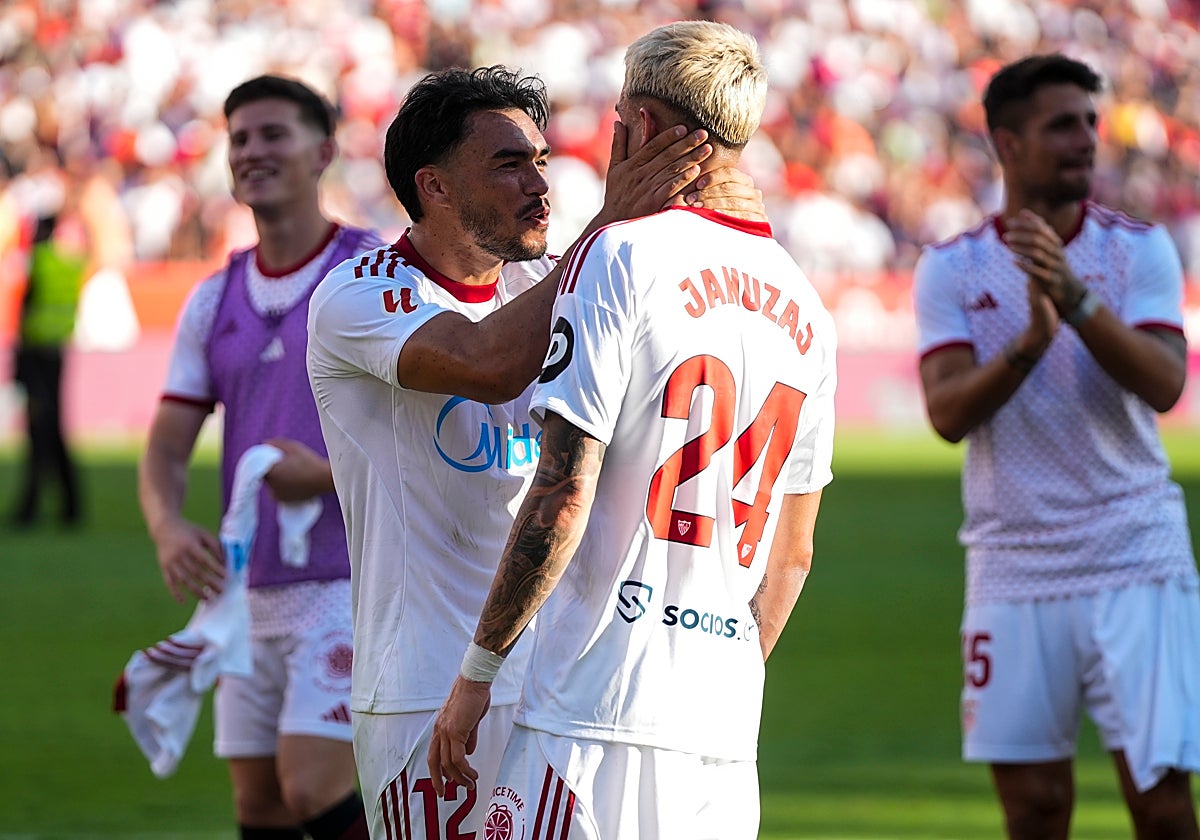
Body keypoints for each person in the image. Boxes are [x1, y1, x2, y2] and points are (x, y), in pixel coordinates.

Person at [306, 63, 766, 840]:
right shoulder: (359, 295)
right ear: (436, 187)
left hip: (559, 687)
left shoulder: (555, 278)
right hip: (426, 686)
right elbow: (487, 363)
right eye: (509, 164)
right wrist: (608, 227)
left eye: (542, 161)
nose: (540, 184)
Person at [427, 22, 836, 839]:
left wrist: (476, 675)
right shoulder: (808, 308)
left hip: (588, 714)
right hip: (720, 737)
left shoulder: (622, 256)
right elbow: (791, 553)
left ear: (642, 126)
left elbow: (562, 490)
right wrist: (711, 677)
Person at [913, 54, 1200, 840]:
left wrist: (1073, 302)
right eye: (1061, 125)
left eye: (1090, 123)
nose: (1086, 141)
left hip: (1134, 555)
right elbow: (946, 413)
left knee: (1163, 805)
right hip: (1011, 562)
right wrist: (1033, 340)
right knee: (1034, 810)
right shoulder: (953, 265)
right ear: (1007, 143)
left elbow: (1165, 383)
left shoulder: (1137, 251)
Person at [138, 74, 378, 840]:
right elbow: (168, 445)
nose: (252, 152)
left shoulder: (373, 272)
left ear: (323, 152)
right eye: (240, 138)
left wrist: (331, 475)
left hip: (352, 578)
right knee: (261, 807)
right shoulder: (215, 296)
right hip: (248, 588)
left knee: (310, 787)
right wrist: (168, 527)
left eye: (273, 134)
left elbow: (436, 430)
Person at [11, 210, 87, 527]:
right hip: (57, 351)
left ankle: (30, 510)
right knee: (53, 430)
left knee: (40, 431)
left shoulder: (37, 261)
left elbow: (24, 300)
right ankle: (69, 507)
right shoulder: (70, 264)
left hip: (35, 354)